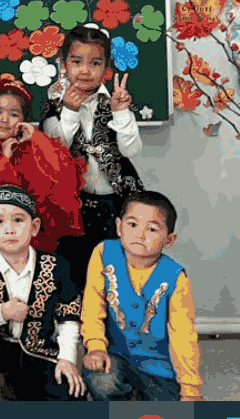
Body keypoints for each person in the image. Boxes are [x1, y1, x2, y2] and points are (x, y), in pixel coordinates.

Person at [0, 186, 85, 401]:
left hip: (38, 351)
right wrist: (1, 312)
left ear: (34, 227)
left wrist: (67, 359)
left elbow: (69, 318)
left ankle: (19, 386)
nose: (9, 230)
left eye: (18, 220)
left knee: (71, 394)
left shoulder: (56, 265)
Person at [41, 25, 144, 288]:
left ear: (106, 67)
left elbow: (131, 150)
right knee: (73, 271)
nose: (85, 70)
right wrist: (70, 111)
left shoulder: (115, 102)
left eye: (95, 63)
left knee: (116, 271)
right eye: (77, 62)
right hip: (72, 203)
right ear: (63, 64)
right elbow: (54, 153)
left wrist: (121, 113)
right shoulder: (53, 105)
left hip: (117, 201)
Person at [82, 190, 203, 402]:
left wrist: (191, 390)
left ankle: (141, 395)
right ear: (119, 226)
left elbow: (184, 335)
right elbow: (93, 306)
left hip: (159, 368)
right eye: (132, 224)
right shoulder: (104, 253)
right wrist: (95, 347)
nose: (140, 234)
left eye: (152, 229)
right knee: (101, 379)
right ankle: (125, 397)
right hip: (116, 357)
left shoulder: (176, 277)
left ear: (169, 239)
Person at [0, 74, 85, 253]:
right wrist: (4, 160)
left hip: (40, 236)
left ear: (23, 119)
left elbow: (64, 177)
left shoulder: (35, 145)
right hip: (1, 239)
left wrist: (36, 138)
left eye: (14, 114)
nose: (4, 119)